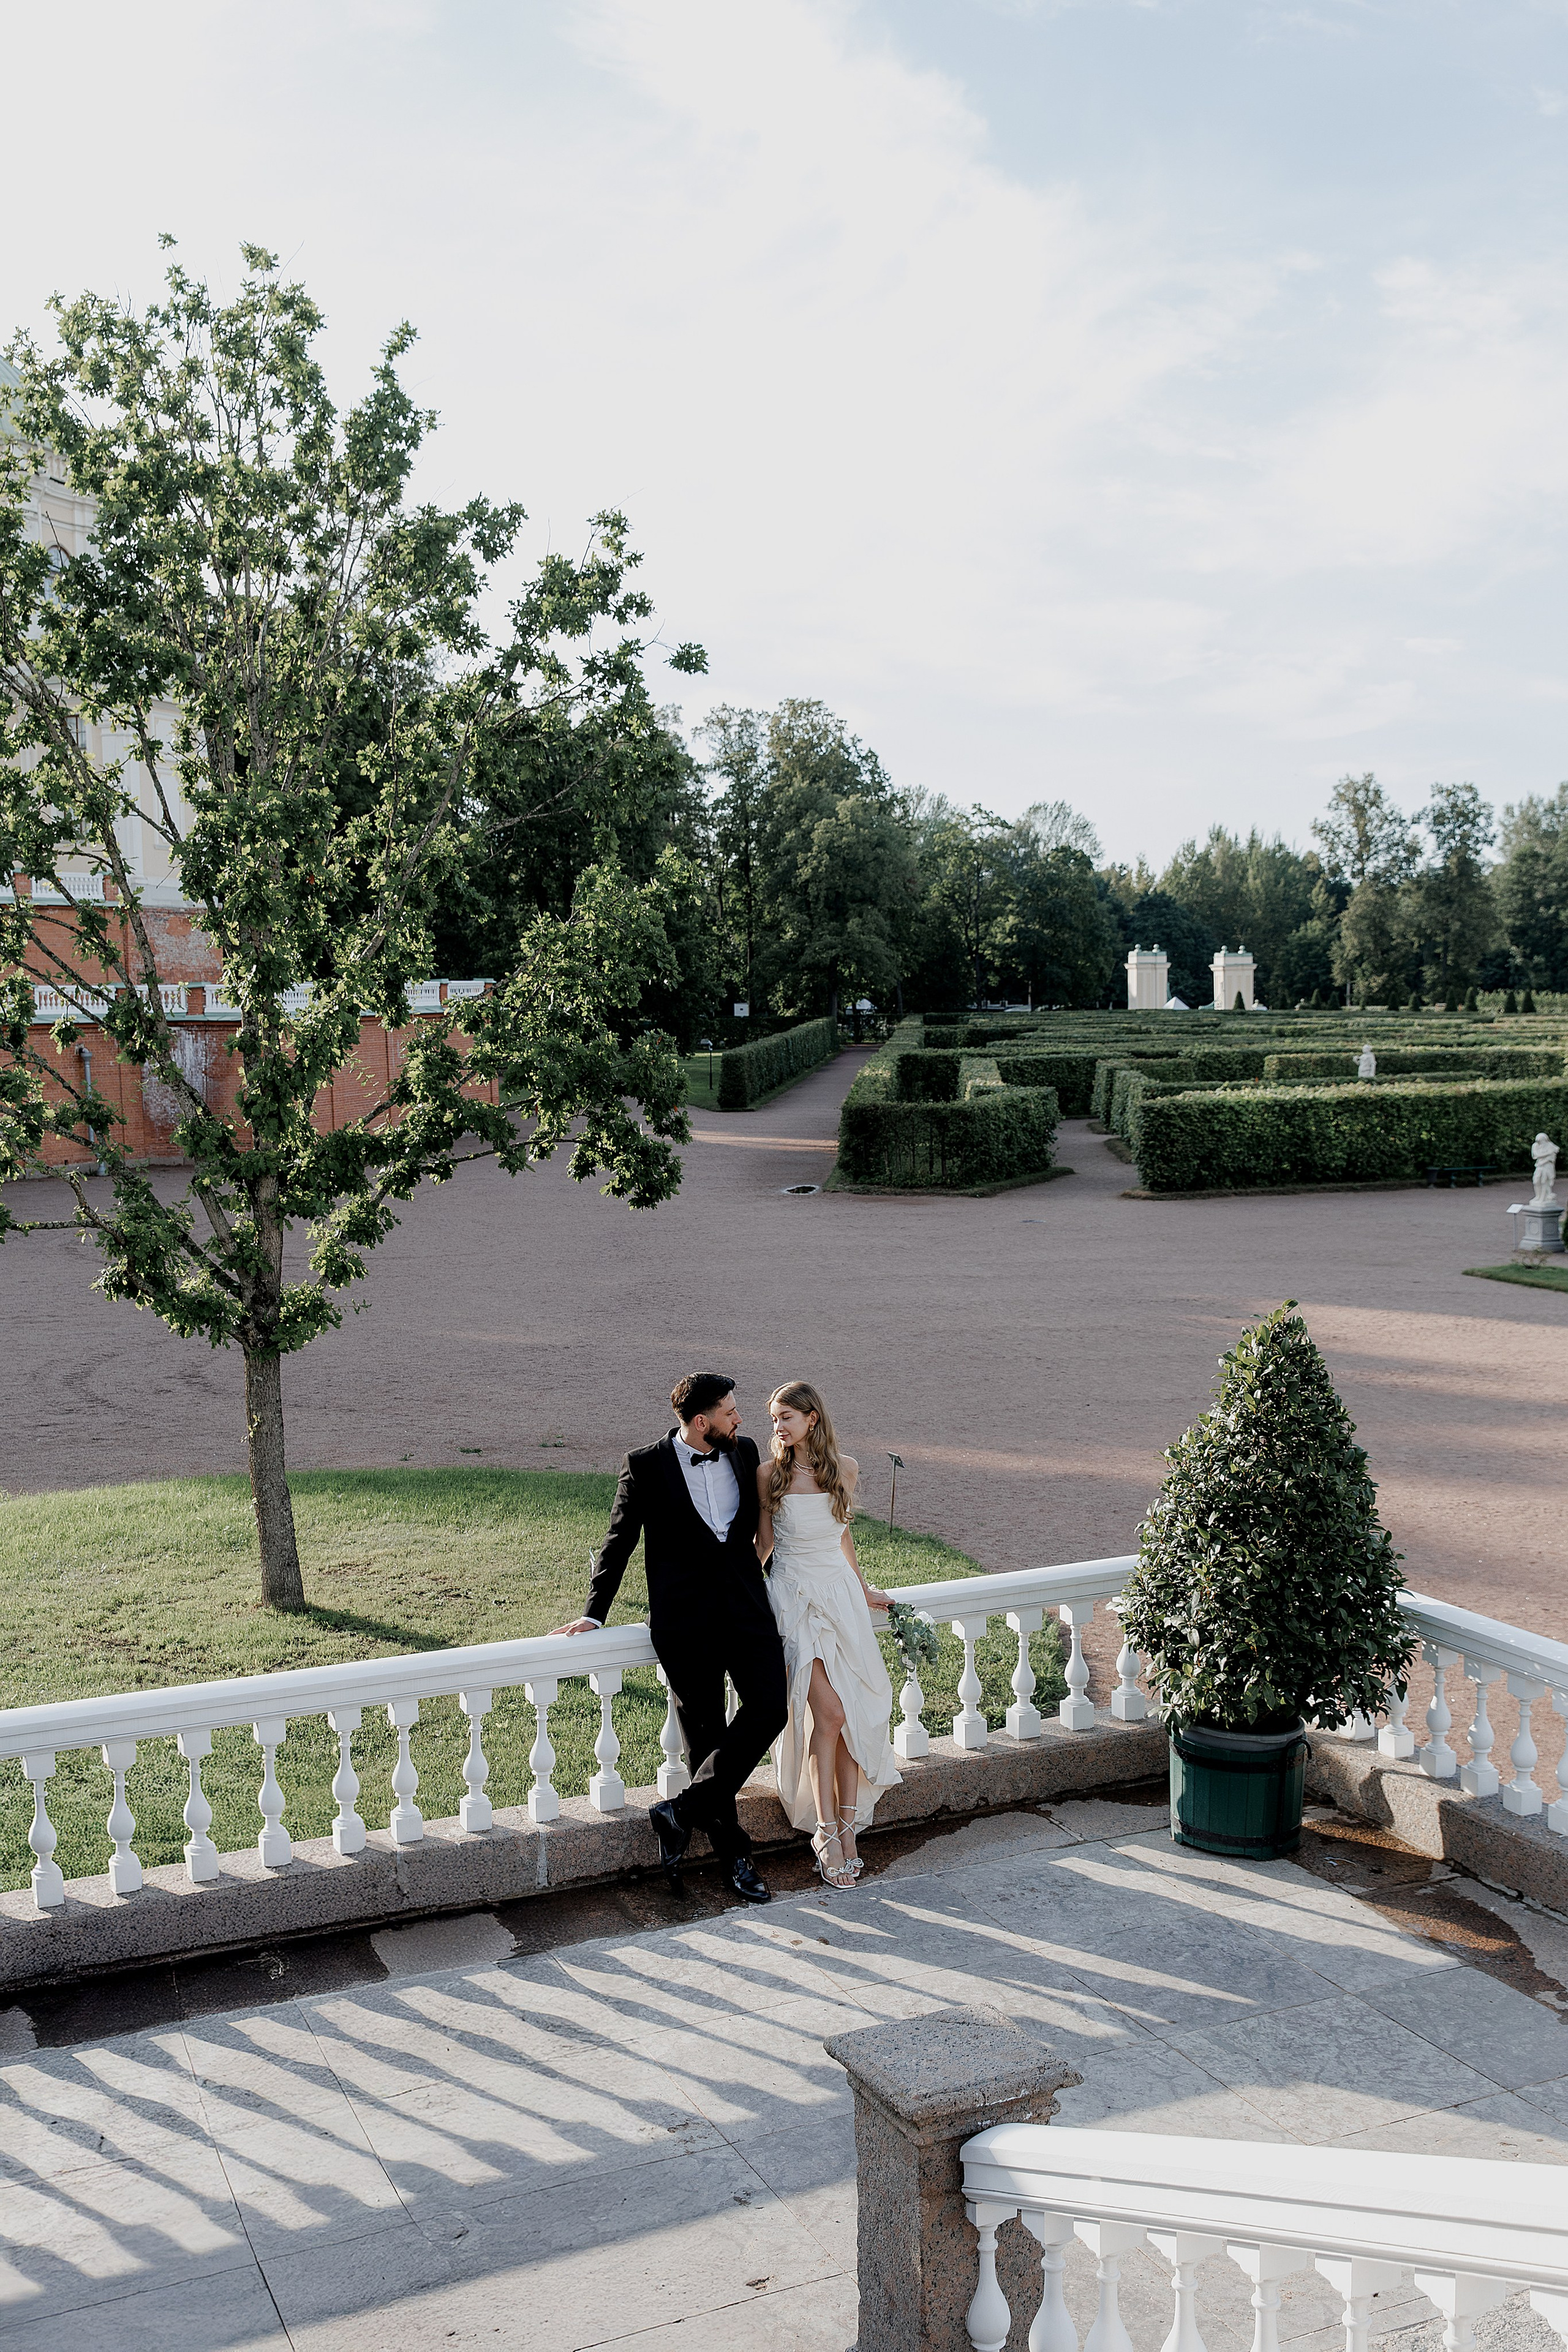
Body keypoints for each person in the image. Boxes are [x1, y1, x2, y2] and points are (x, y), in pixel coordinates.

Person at [553, 1374, 786, 1904]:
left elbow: (766, 1529)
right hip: (685, 1625)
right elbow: (618, 1541)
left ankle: (679, 1811)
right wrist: (593, 1615)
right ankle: (736, 1858)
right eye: (730, 1411)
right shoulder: (645, 1465)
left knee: (772, 1707)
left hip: (748, 1613)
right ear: (702, 1422)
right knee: (707, 1739)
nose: (739, 1418)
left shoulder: (746, 1452)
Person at [760, 1381, 901, 1890]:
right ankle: (824, 1831)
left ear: (812, 1418)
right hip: (794, 1599)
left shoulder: (846, 1468)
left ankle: (847, 1828)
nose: (778, 1426)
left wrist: (862, 1589)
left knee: (848, 1717)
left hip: (840, 1597)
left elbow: (843, 1532)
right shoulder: (769, 1475)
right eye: (775, 1419)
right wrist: (731, 1602)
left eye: (786, 1417)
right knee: (832, 1712)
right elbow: (762, 1546)